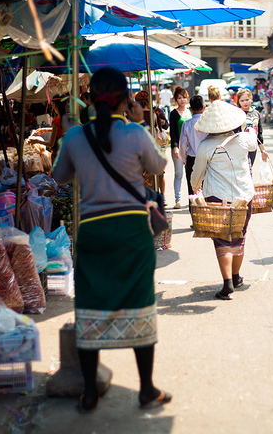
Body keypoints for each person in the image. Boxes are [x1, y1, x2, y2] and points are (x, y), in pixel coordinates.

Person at [52, 67, 171, 412]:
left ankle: (89, 393)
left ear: (89, 99)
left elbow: (59, 177)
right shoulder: (135, 134)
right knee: (139, 303)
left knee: (90, 304)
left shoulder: (74, 137)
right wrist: (140, 122)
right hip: (132, 232)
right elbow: (160, 165)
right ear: (126, 99)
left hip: (92, 231)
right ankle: (146, 389)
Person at [190, 100, 257, 300]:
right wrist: (250, 129)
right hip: (244, 196)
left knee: (222, 238)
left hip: (217, 197)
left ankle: (228, 282)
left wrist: (195, 188)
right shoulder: (244, 139)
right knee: (239, 235)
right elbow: (254, 141)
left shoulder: (205, 146)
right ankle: (236, 277)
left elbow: (197, 173)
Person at [135, 91, 169, 195]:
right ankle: (161, 196)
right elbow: (164, 126)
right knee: (159, 173)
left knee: (142, 173)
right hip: (156, 146)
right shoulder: (156, 112)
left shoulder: (135, 114)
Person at [179, 95, 208, 200]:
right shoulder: (208, 123)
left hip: (192, 160)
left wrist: (184, 160)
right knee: (207, 189)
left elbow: (182, 145)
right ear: (204, 108)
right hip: (207, 159)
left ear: (190, 109)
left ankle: (194, 211)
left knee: (193, 189)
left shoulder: (187, 124)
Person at [168, 87, 191, 209]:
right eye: (179, 98)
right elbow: (173, 132)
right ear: (176, 100)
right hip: (178, 148)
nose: (182, 100)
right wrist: (175, 147)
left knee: (192, 174)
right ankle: (178, 200)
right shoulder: (173, 113)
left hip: (190, 148)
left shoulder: (190, 112)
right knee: (179, 174)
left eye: (184, 97)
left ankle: (192, 198)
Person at [236, 89, 268, 167]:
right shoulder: (237, 113)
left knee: (250, 168)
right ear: (239, 102)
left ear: (251, 99)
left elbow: (259, 134)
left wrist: (263, 151)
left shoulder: (256, 113)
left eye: (247, 100)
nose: (245, 102)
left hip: (253, 147)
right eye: (242, 100)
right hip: (240, 147)